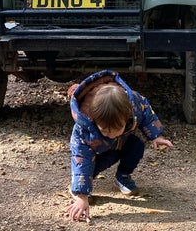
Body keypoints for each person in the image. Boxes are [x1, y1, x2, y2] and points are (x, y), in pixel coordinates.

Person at [65, 69, 173, 222]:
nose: (111, 134)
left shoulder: (134, 104)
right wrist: (81, 196)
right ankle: (80, 189)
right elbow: (81, 159)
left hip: (120, 144)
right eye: (105, 131)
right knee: (88, 168)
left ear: (127, 116)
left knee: (136, 146)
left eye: (117, 129)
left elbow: (146, 113)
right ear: (95, 121)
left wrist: (156, 136)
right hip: (98, 153)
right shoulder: (83, 131)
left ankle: (122, 176)